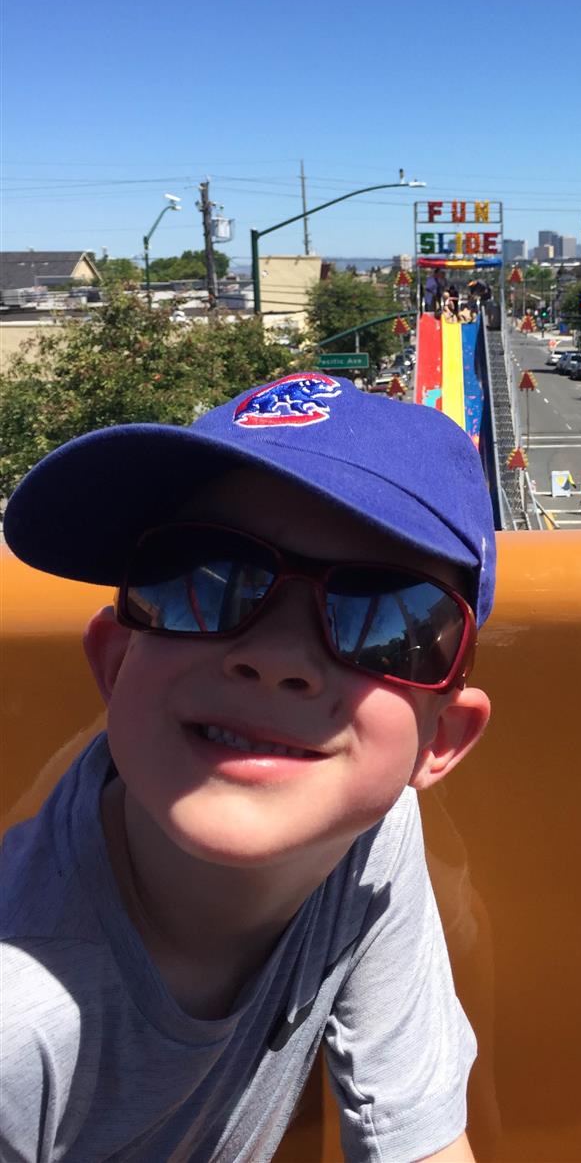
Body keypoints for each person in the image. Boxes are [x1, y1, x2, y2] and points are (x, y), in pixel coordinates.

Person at [1, 372, 495, 1163]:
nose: (276, 656)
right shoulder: (19, 1021)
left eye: (381, 616)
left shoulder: (362, 832)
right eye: (204, 581)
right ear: (115, 663)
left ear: (437, 743)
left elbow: (420, 1140)